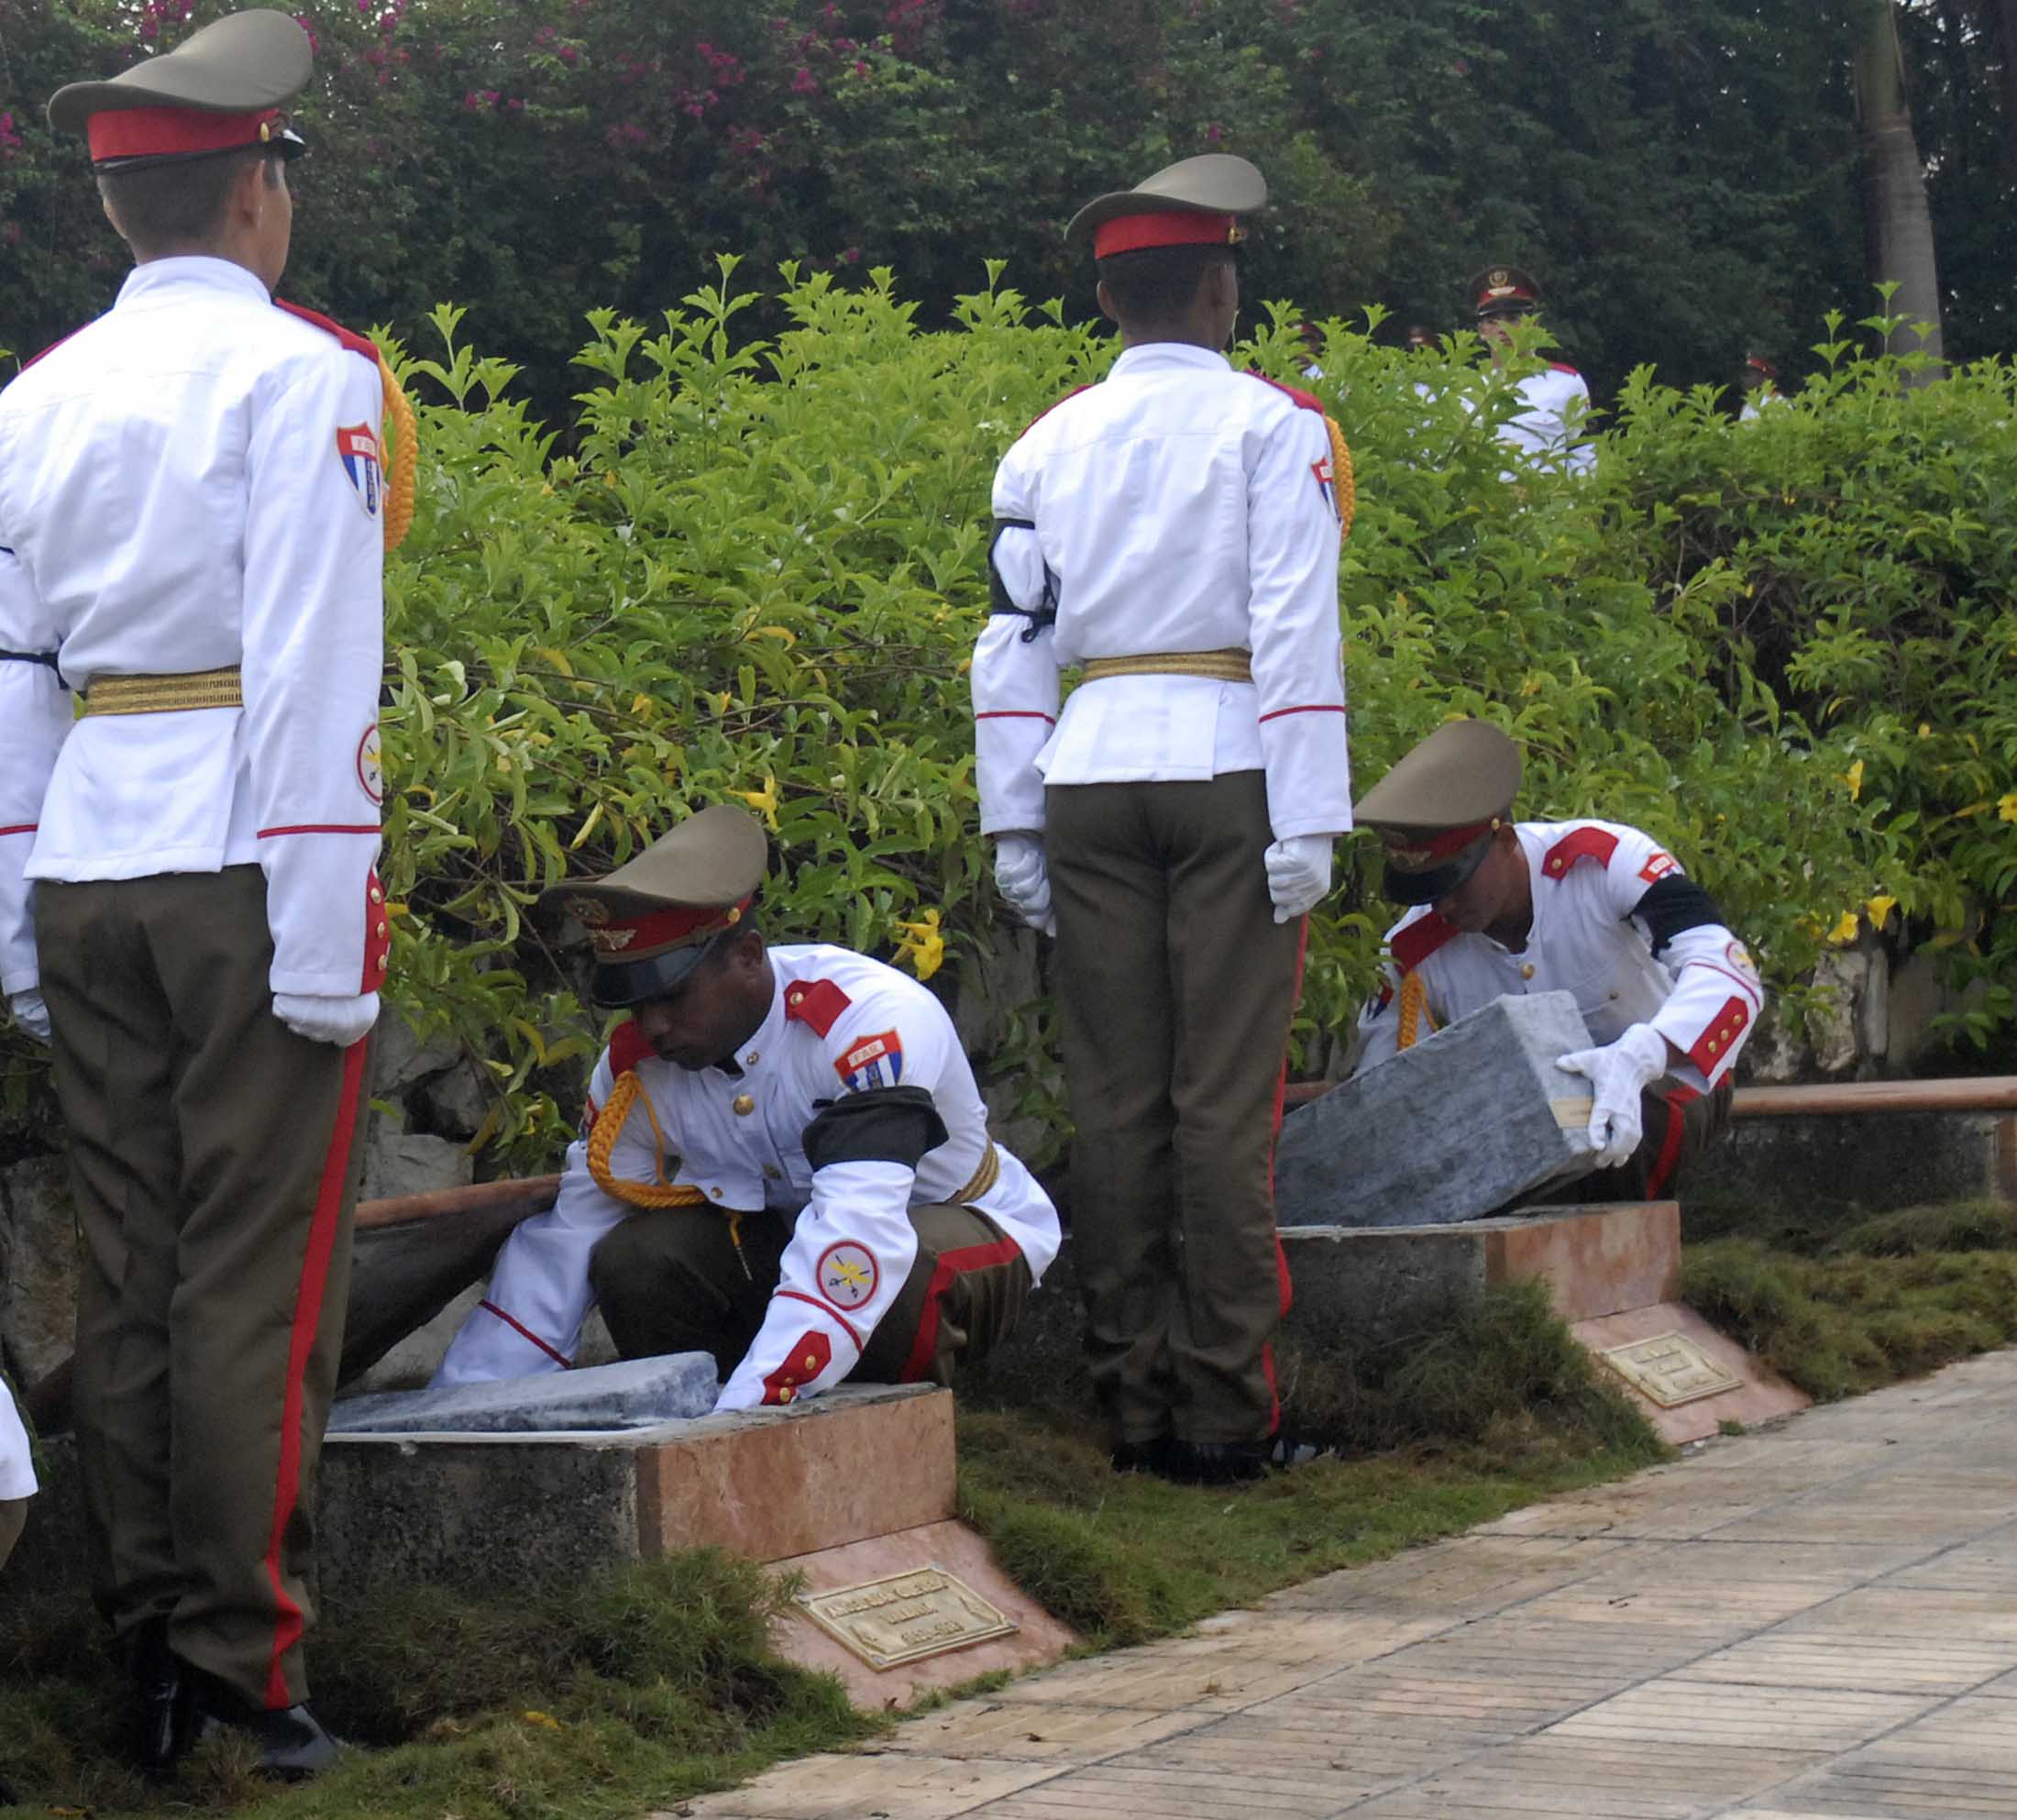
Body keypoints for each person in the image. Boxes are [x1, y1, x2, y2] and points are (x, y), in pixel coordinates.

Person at [0, 10, 403, 1780]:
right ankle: (245, 1670)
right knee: (260, 1280)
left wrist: (13, 922)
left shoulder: (30, 399)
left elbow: (11, 683)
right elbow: (322, 668)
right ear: (257, 187)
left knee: (144, 1276)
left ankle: (150, 1649)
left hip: (88, 859)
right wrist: (328, 931)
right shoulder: (307, 376)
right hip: (248, 856)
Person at [970, 154, 1353, 1484]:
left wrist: (1012, 824)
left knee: (1117, 1099)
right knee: (1221, 1108)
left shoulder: (1044, 441)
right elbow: (1298, 621)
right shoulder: (1275, 426)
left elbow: (1010, 642)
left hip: (1086, 771)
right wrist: (1311, 814)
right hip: (1229, 763)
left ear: (1112, 300)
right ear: (1219, 285)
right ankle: (1225, 1416)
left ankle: (1129, 1408)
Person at [435, 805, 1061, 1407]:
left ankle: (881, 1426)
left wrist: (754, 1401)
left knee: (884, 1278)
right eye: (635, 1004)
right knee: (634, 1259)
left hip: (954, 1218)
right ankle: (703, 1424)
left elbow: (858, 1230)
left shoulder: (867, 1024)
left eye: (673, 996)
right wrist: (466, 1404)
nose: (652, 1026)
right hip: (799, 1236)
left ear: (749, 956)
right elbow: (569, 1238)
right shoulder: (639, 1069)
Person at [1350, 721, 1762, 1200]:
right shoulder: (1413, 948)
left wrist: (1641, 1054)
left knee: (1598, 1122)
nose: (1442, 906)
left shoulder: (1605, 862)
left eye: (1455, 883)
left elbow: (1732, 973)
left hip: (1664, 1079)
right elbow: (1390, 1090)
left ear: (1505, 843)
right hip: (1524, 1112)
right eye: (1425, 892)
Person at [1468, 264, 1595, 476]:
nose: (1503, 329)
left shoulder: (1565, 383)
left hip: (1546, 505)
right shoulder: (1466, 390)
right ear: (1482, 331)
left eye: (1513, 319)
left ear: (1534, 324)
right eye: (1493, 321)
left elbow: (1583, 455)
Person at [1737, 351, 1785, 422]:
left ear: (1762, 377)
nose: (1744, 378)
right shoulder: (1747, 407)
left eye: (1749, 374)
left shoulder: (1778, 402)